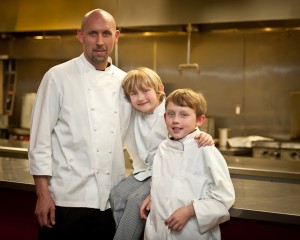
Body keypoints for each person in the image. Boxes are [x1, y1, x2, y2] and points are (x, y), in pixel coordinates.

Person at [28, 9, 131, 239]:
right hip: (65, 201)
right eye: (92, 34)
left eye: (106, 33)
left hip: (109, 203)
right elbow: (39, 140)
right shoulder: (57, 77)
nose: (100, 42)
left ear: (117, 36)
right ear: (80, 36)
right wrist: (42, 194)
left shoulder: (126, 82)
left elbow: (145, 130)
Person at [110, 68, 214, 240]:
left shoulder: (170, 113)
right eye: (134, 94)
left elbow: (188, 131)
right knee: (117, 194)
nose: (141, 98)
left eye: (146, 91)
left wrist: (204, 135)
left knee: (136, 202)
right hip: (142, 171)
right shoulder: (133, 113)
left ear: (159, 88)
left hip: (164, 173)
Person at [140, 88, 235, 240]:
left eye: (184, 114)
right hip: (157, 232)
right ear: (165, 117)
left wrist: (190, 211)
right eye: (171, 114)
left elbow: (223, 197)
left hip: (190, 232)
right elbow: (163, 181)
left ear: (200, 120)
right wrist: (153, 196)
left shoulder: (205, 148)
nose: (176, 120)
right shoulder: (162, 148)